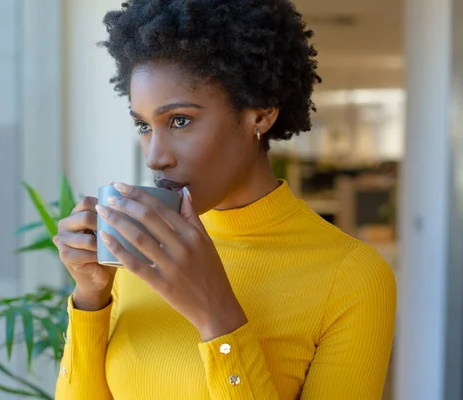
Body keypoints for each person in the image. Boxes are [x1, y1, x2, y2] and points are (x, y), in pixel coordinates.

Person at [53, 0, 396, 399]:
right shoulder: (142, 246)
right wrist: (91, 299)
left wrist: (217, 317)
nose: (154, 156)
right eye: (143, 125)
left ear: (261, 114)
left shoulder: (353, 277)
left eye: (179, 121)